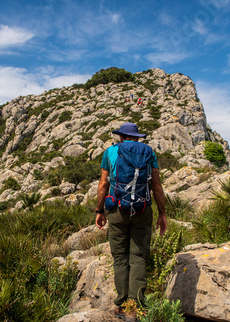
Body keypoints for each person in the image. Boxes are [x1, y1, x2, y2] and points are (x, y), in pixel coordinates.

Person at [95, 122, 167, 321]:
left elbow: (103, 184)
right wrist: (162, 213)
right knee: (138, 257)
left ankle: (120, 303)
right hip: (143, 210)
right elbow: (157, 185)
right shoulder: (149, 152)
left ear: (121, 137)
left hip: (118, 210)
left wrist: (100, 210)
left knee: (120, 258)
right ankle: (134, 308)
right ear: (137, 138)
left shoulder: (110, 152)